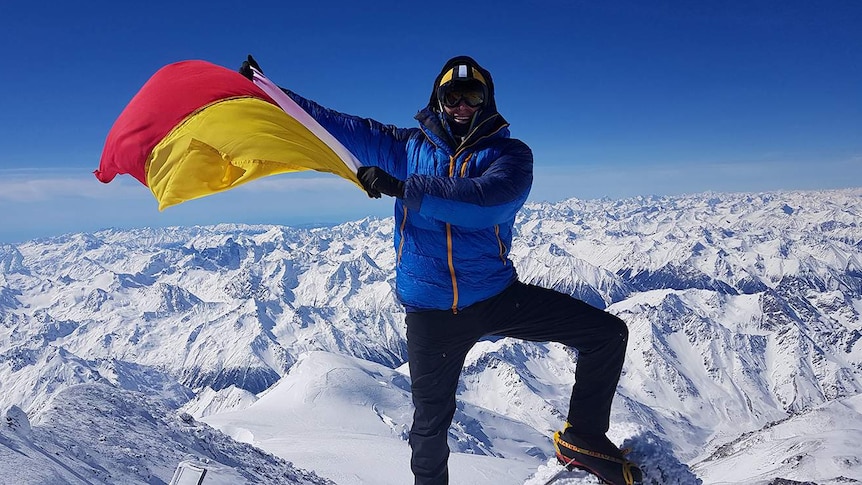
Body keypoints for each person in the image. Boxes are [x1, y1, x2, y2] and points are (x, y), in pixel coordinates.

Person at [240, 55, 643, 485]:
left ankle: (582, 438)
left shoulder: (509, 155)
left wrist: (403, 188)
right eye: (453, 96)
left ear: (486, 101)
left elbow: (487, 200)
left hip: (495, 296)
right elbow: (334, 124)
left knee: (606, 334)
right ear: (438, 100)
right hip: (431, 311)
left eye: (472, 95)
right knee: (429, 427)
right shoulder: (404, 148)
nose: (461, 105)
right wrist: (270, 91)